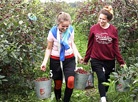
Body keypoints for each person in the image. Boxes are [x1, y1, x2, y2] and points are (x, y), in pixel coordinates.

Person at [83, 5, 126, 102]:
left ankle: (104, 94)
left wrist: (121, 61)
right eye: (100, 18)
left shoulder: (113, 30)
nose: (101, 21)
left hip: (109, 59)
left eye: (104, 19)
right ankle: (103, 99)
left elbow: (115, 47)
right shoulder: (93, 28)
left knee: (106, 79)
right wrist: (86, 59)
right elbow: (90, 45)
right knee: (101, 77)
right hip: (96, 58)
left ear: (108, 20)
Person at [40, 12, 82, 102]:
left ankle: (66, 100)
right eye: (63, 26)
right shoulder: (52, 32)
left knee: (70, 81)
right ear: (58, 23)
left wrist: (78, 56)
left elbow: (72, 43)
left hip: (69, 58)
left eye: (67, 26)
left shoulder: (70, 30)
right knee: (58, 84)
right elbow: (48, 48)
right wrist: (44, 62)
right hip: (55, 60)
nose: (65, 28)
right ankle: (58, 99)